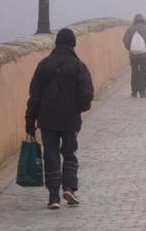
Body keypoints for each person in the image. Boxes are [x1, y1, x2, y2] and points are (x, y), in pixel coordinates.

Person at [25, 28, 94, 210]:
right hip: (70, 118)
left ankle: (53, 195)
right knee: (69, 153)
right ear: (73, 44)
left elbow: (34, 97)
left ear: (56, 43)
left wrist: (30, 121)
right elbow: (87, 94)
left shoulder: (44, 65)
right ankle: (69, 188)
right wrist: (79, 109)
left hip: (47, 118)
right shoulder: (78, 66)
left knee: (51, 155)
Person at [122, 14, 146, 98]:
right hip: (144, 55)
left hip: (133, 56)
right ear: (143, 20)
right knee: (143, 73)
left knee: (134, 72)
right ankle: (142, 92)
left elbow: (125, 40)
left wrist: (130, 48)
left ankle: (134, 91)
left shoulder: (130, 29)